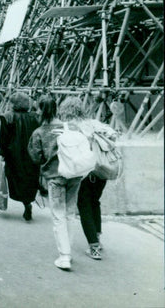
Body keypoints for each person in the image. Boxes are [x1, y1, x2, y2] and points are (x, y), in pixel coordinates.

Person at [28, 94, 80, 271]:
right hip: (74, 175)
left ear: (41, 110)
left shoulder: (40, 132)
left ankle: (64, 256)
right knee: (70, 213)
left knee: (58, 216)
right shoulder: (70, 127)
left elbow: (35, 156)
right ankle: (68, 252)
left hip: (54, 177)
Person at [58, 96, 114, 261]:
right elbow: (113, 135)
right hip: (101, 170)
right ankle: (97, 237)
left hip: (84, 172)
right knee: (95, 202)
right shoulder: (94, 123)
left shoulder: (70, 128)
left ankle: (94, 246)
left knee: (84, 206)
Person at [0, 92, 40, 221]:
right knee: (29, 179)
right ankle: (28, 203)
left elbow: (3, 139)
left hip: (13, 155)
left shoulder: (7, 117)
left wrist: (3, 153)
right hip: (30, 154)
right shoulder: (34, 117)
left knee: (16, 179)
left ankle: (24, 202)